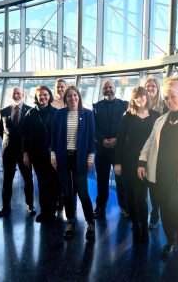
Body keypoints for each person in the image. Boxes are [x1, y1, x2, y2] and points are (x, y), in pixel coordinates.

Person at [137, 75, 178, 258]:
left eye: (173, 97)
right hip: (160, 172)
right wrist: (142, 161)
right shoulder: (161, 119)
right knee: (164, 209)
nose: (170, 101)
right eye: (167, 98)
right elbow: (150, 142)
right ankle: (170, 239)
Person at [114, 86, 160, 243]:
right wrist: (117, 163)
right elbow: (120, 141)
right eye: (136, 97)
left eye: (142, 96)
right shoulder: (127, 117)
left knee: (141, 197)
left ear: (147, 97)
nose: (140, 99)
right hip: (128, 162)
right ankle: (135, 223)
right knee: (131, 197)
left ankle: (144, 228)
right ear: (133, 100)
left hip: (146, 162)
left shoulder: (156, 116)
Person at [51, 85, 96, 240]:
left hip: (80, 157)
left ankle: (90, 222)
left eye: (75, 95)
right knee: (67, 193)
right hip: (63, 157)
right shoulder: (59, 114)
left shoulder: (88, 114)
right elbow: (54, 137)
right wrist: (53, 155)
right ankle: (70, 222)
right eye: (69, 96)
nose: (72, 98)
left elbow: (91, 139)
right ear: (65, 99)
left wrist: (90, 158)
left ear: (79, 97)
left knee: (82, 191)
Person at [92, 79, 129, 218]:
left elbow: (127, 127)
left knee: (121, 180)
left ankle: (124, 207)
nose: (108, 89)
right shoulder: (96, 106)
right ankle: (100, 206)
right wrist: (102, 140)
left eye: (110, 87)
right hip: (102, 150)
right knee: (101, 180)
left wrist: (117, 139)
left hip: (119, 150)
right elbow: (94, 127)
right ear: (102, 90)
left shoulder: (124, 105)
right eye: (105, 87)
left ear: (115, 88)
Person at [23, 85, 59, 223]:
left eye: (45, 94)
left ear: (49, 96)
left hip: (53, 155)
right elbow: (25, 136)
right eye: (40, 95)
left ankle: (52, 211)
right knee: (42, 184)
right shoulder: (30, 114)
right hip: (37, 155)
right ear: (36, 98)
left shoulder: (56, 113)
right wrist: (25, 154)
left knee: (53, 183)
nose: (43, 97)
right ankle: (45, 211)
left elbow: (59, 135)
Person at [0, 87, 35, 217]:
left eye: (19, 93)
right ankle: (5, 207)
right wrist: (8, 142)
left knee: (28, 180)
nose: (17, 95)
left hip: (25, 152)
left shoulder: (30, 110)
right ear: (11, 95)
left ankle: (30, 205)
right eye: (14, 93)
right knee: (7, 180)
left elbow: (31, 132)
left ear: (23, 95)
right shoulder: (4, 111)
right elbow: (1, 130)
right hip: (8, 151)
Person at [144, 76, 166, 229]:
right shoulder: (140, 105)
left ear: (158, 89)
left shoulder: (164, 106)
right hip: (142, 151)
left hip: (157, 153)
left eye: (153, 86)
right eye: (148, 85)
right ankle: (141, 215)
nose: (150, 88)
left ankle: (155, 215)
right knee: (141, 185)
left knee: (154, 186)